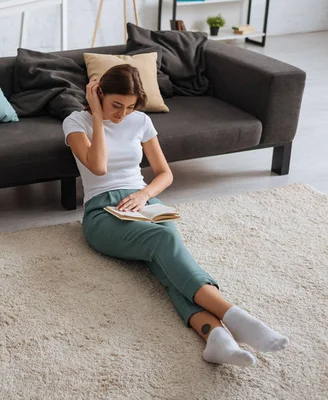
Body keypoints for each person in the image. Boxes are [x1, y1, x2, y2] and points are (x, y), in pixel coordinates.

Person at [62, 64, 289, 366]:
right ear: (99, 94)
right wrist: (97, 115)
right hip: (102, 213)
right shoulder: (76, 122)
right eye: (116, 105)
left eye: (129, 107)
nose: (122, 114)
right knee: (163, 239)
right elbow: (98, 166)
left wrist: (144, 194)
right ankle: (232, 313)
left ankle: (215, 335)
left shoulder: (140, 121)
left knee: (166, 264)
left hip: (142, 203)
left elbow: (164, 174)